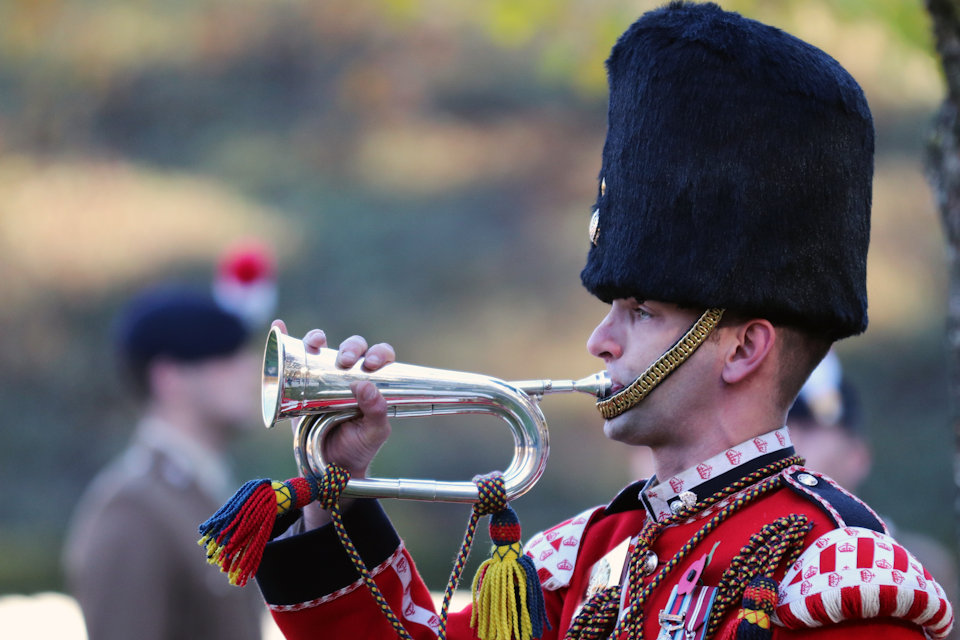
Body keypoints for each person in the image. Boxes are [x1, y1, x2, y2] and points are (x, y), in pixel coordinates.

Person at [239, 3, 954, 639]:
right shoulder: (586, 552)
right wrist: (339, 488)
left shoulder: (837, 577)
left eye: (640, 312)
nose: (599, 340)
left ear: (743, 349)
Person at [63, 285, 265, 640]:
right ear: (168, 376)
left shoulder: (205, 492)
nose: (250, 369)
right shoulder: (132, 509)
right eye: (225, 354)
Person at [787, 352, 960, 639]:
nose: (790, 442)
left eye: (808, 429)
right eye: (783, 429)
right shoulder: (752, 556)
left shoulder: (920, 565)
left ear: (858, 457)